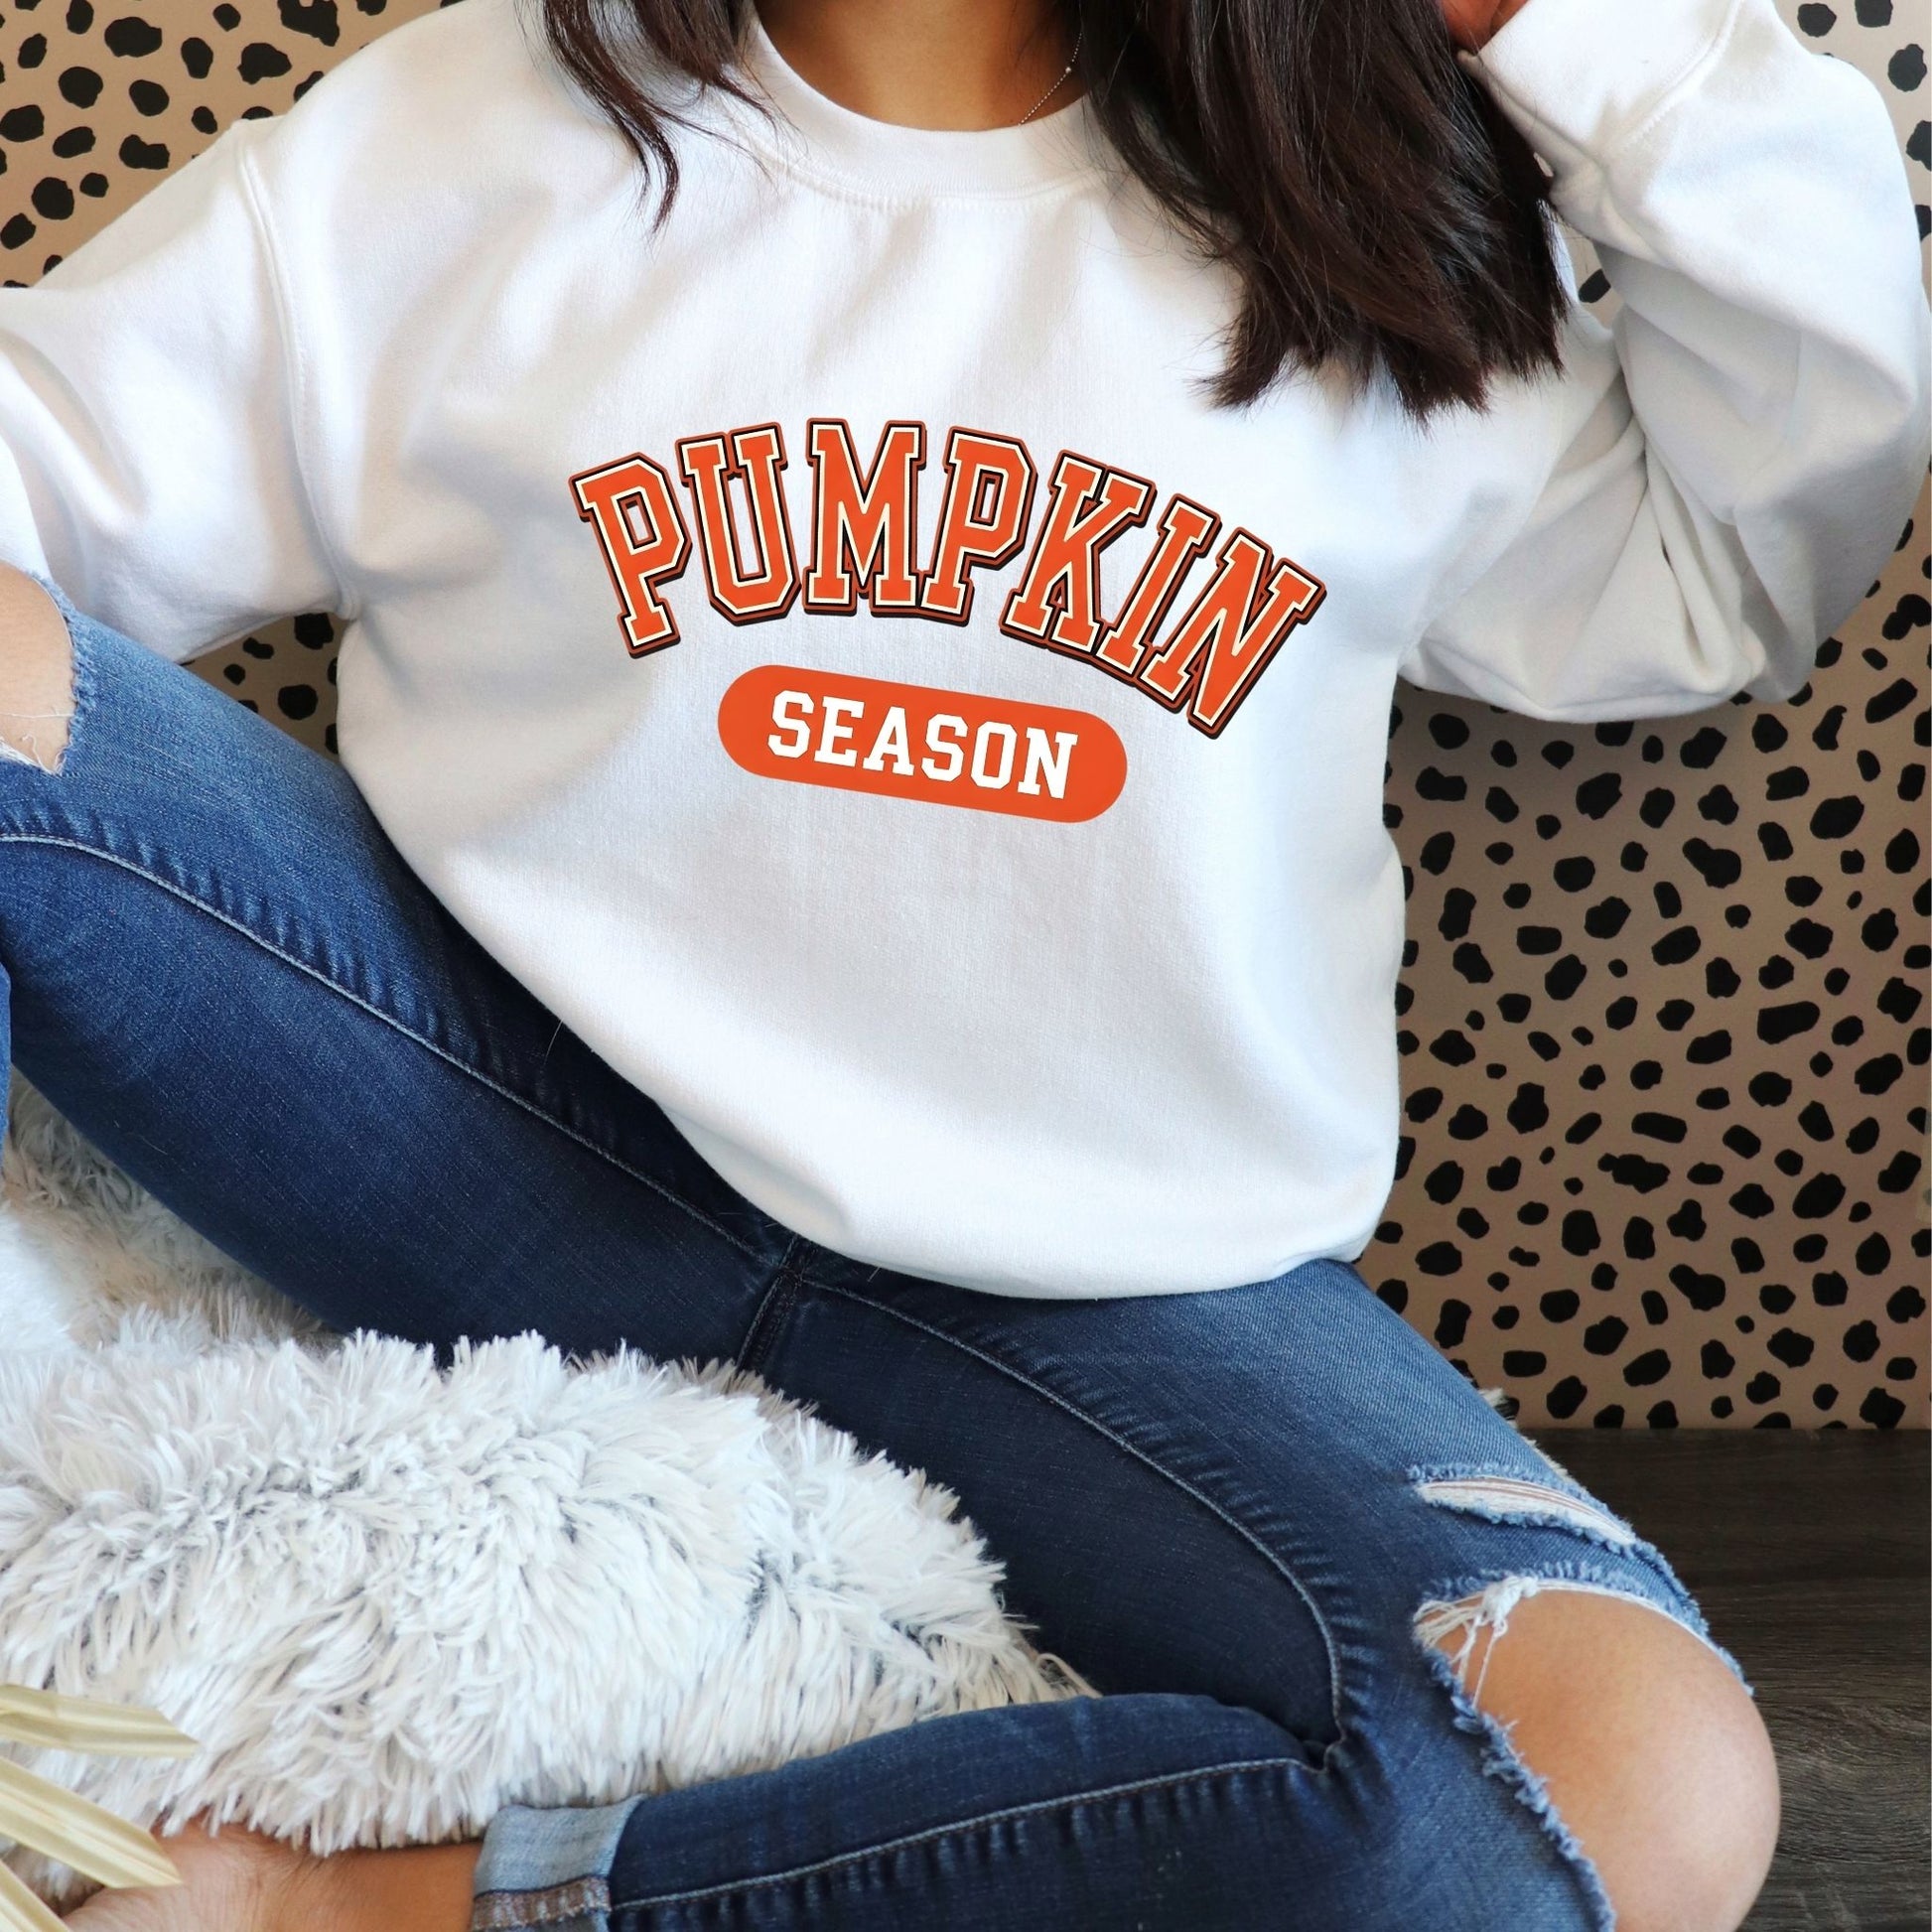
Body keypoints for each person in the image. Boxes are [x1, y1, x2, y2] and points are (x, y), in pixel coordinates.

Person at [3, 0, 1924, 1919]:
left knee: (1633, 1781)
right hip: (469, 1119)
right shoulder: (459, 136)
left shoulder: (1354, 196)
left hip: (1109, 1309)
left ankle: (370, 1907)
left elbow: (1746, 561)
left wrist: (1547, 25)